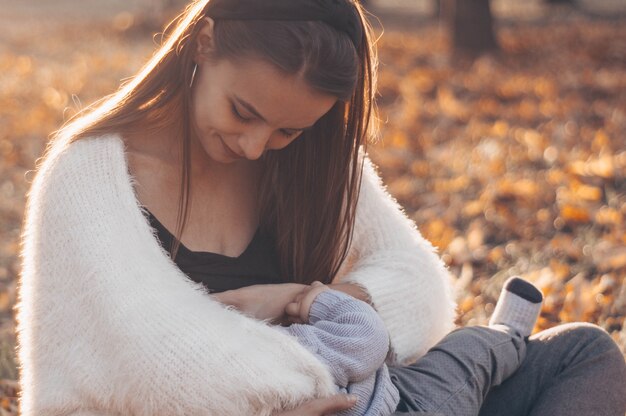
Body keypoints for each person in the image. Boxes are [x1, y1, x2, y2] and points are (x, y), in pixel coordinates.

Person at [14, 0, 626, 415]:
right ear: (204, 42)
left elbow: (420, 287)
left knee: (582, 351)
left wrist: (299, 299)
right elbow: (162, 361)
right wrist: (313, 383)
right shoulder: (89, 175)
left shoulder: (310, 159)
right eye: (243, 113)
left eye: (287, 131)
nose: (255, 147)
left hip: (365, 403)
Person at [267, 277, 544, 416]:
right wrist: (318, 301)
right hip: (398, 405)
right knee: (472, 354)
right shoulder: (277, 352)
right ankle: (511, 333)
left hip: (384, 389)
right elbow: (366, 338)